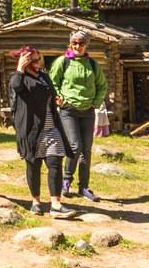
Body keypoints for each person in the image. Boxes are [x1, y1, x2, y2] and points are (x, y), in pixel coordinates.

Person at [48, 29, 108, 202]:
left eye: (81, 43)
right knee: (75, 146)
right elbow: (53, 83)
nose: (77, 46)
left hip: (88, 110)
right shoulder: (63, 62)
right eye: (74, 43)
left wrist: (95, 103)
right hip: (69, 110)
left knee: (86, 150)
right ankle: (66, 180)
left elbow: (102, 85)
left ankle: (84, 187)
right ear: (70, 44)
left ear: (86, 45)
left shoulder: (93, 64)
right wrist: (61, 98)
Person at [9, 47, 66, 215]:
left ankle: (56, 204)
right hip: (30, 129)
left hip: (51, 126)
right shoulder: (18, 77)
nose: (37, 63)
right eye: (33, 60)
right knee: (34, 165)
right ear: (24, 61)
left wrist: (58, 100)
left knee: (55, 163)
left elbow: (52, 95)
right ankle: (36, 202)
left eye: (38, 59)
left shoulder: (44, 76)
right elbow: (16, 87)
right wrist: (20, 68)